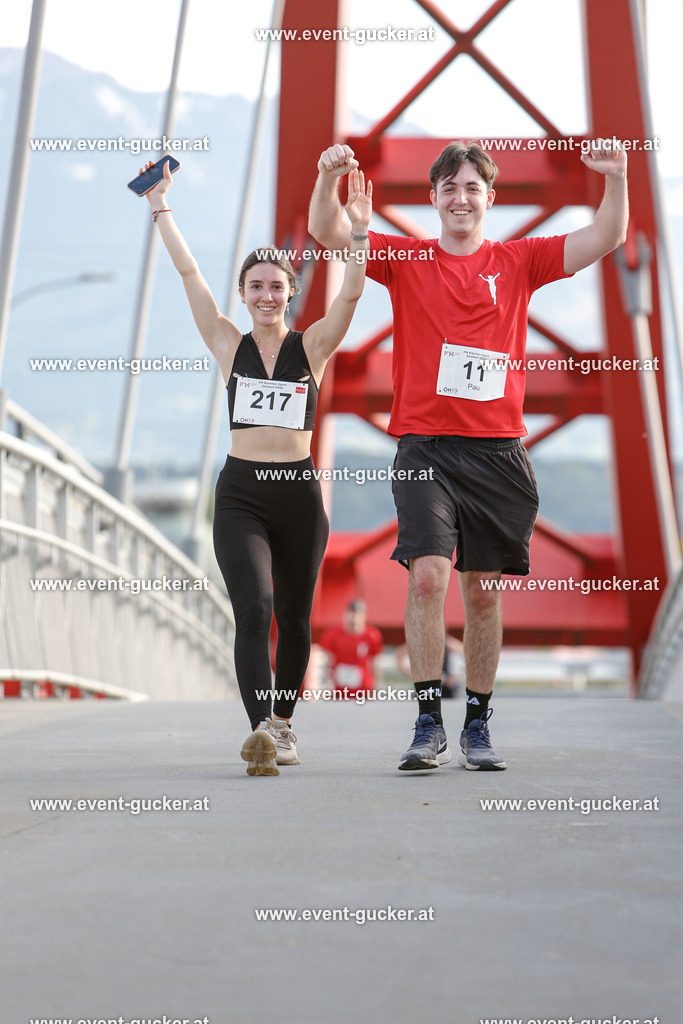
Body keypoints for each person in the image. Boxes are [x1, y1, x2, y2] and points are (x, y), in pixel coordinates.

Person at [308, 138, 628, 771]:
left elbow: (605, 237)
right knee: (427, 576)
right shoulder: (406, 259)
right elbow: (326, 229)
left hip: (498, 453)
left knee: (481, 592)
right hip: (425, 446)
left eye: (471, 187)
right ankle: (427, 722)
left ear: (490, 198)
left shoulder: (521, 260)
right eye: (448, 188)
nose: (460, 198)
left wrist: (616, 180)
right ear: (432, 199)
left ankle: (478, 724)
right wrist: (327, 178)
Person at [139, 158, 372, 775]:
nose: (266, 296)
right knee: (256, 608)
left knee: (295, 618)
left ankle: (286, 723)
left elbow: (351, 291)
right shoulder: (226, 342)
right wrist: (160, 205)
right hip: (242, 493)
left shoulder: (312, 347)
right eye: (256, 287)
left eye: (277, 286)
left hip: (297, 493)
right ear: (242, 295)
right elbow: (188, 272)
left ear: (291, 293)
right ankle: (259, 731)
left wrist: (360, 234)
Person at [319, 599, 383, 698]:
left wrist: (375, 687)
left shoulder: (372, 635)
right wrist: (326, 682)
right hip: (338, 690)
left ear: (364, 616)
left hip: (363, 691)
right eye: (351, 613)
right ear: (345, 614)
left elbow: (375, 662)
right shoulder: (332, 633)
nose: (354, 618)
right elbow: (327, 659)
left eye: (358, 614)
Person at [396, 633, 464, 699]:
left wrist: (455, 677)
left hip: (444, 686)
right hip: (424, 685)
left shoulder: (448, 642)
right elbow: (399, 656)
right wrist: (411, 674)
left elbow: (465, 655)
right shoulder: (418, 642)